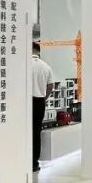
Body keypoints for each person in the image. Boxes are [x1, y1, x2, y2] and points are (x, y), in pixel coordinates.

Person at [31, 42, 56, 173]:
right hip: (39, 102)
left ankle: (22, 161)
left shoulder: (24, 65)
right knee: (36, 132)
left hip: (26, 102)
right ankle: (34, 163)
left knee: (24, 131)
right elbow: (50, 85)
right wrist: (44, 98)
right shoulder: (46, 67)